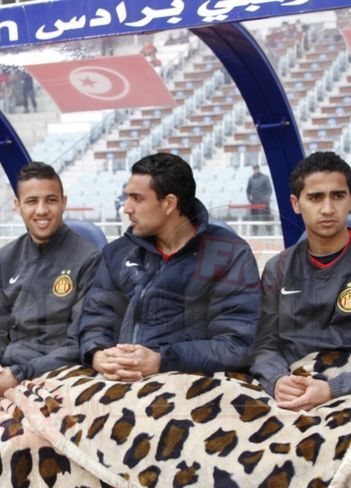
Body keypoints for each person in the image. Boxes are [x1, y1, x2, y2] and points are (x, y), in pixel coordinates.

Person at [250, 151, 351, 412]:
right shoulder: (277, 268)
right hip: (293, 383)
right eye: (315, 197)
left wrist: (333, 388)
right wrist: (277, 381)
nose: (327, 209)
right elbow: (265, 344)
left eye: (338, 196)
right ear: (295, 203)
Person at [79, 152, 261, 381]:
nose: (126, 208)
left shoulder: (230, 254)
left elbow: (236, 345)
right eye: (127, 197)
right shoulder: (117, 252)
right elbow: (96, 317)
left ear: (169, 204)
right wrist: (96, 354)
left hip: (192, 382)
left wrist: (162, 360)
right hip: (118, 379)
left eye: (137, 198)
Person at [0, 162, 101, 400]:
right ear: (17, 205)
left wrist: (18, 375)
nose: (41, 210)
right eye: (31, 201)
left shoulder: (89, 258)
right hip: (7, 369)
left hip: (59, 374)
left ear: (64, 202)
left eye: (51, 200)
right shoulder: (6, 258)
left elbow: (78, 343)